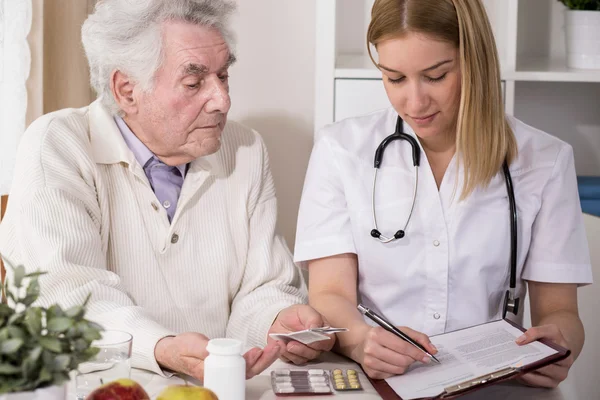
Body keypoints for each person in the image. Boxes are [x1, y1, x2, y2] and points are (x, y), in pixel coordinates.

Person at [0, 0, 333, 381]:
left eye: (223, 76)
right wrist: (162, 347)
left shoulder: (245, 148)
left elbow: (263, 286)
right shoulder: (57, 144)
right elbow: (67, 297)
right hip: (101, 386)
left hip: (218, 387)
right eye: (194, 83)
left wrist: (278, 322)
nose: (222, 100)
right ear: (127, 90)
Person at [294, 0, 592, 388]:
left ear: (475, 61)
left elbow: (561, 312)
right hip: (379, 383)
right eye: (395, 78)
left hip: (493, 386)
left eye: (435, 76)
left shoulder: (545, 160)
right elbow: (330, 292)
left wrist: (560, 342)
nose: (414, 103)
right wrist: (360, 340)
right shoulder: (341, 150)